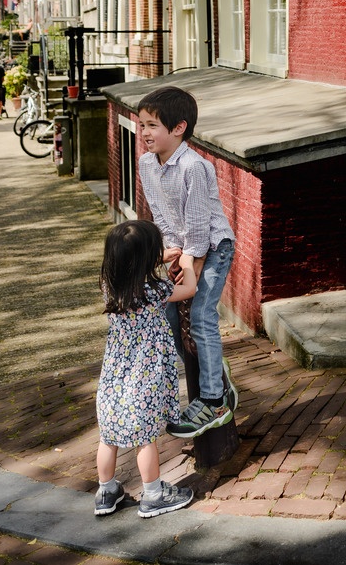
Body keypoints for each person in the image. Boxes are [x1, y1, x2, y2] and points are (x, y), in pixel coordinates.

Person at [137, 86, 238, 437]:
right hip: (183, 249)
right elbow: (162, 216)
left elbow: (197, 225)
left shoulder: (195, 167)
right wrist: (173, 255)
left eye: (152, 125)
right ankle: (215, 373)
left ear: (178, 127)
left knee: (200, 316)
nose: (144, 132)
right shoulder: (146, 164)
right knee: (169, 316)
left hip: (213, 246)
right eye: (141, 124)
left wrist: (191, 264)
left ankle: (214, 400)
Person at [94, 220, 197, 518]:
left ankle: (106, 492)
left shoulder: (110, 286)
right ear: (144, 261)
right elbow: (190, 288)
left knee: (108, 438)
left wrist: (156, 258)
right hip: (144, 379)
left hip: (114, 379)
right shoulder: (153, 290)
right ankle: (153, 495)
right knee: (145, 439)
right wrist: (187, 261)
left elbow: (131, 266)